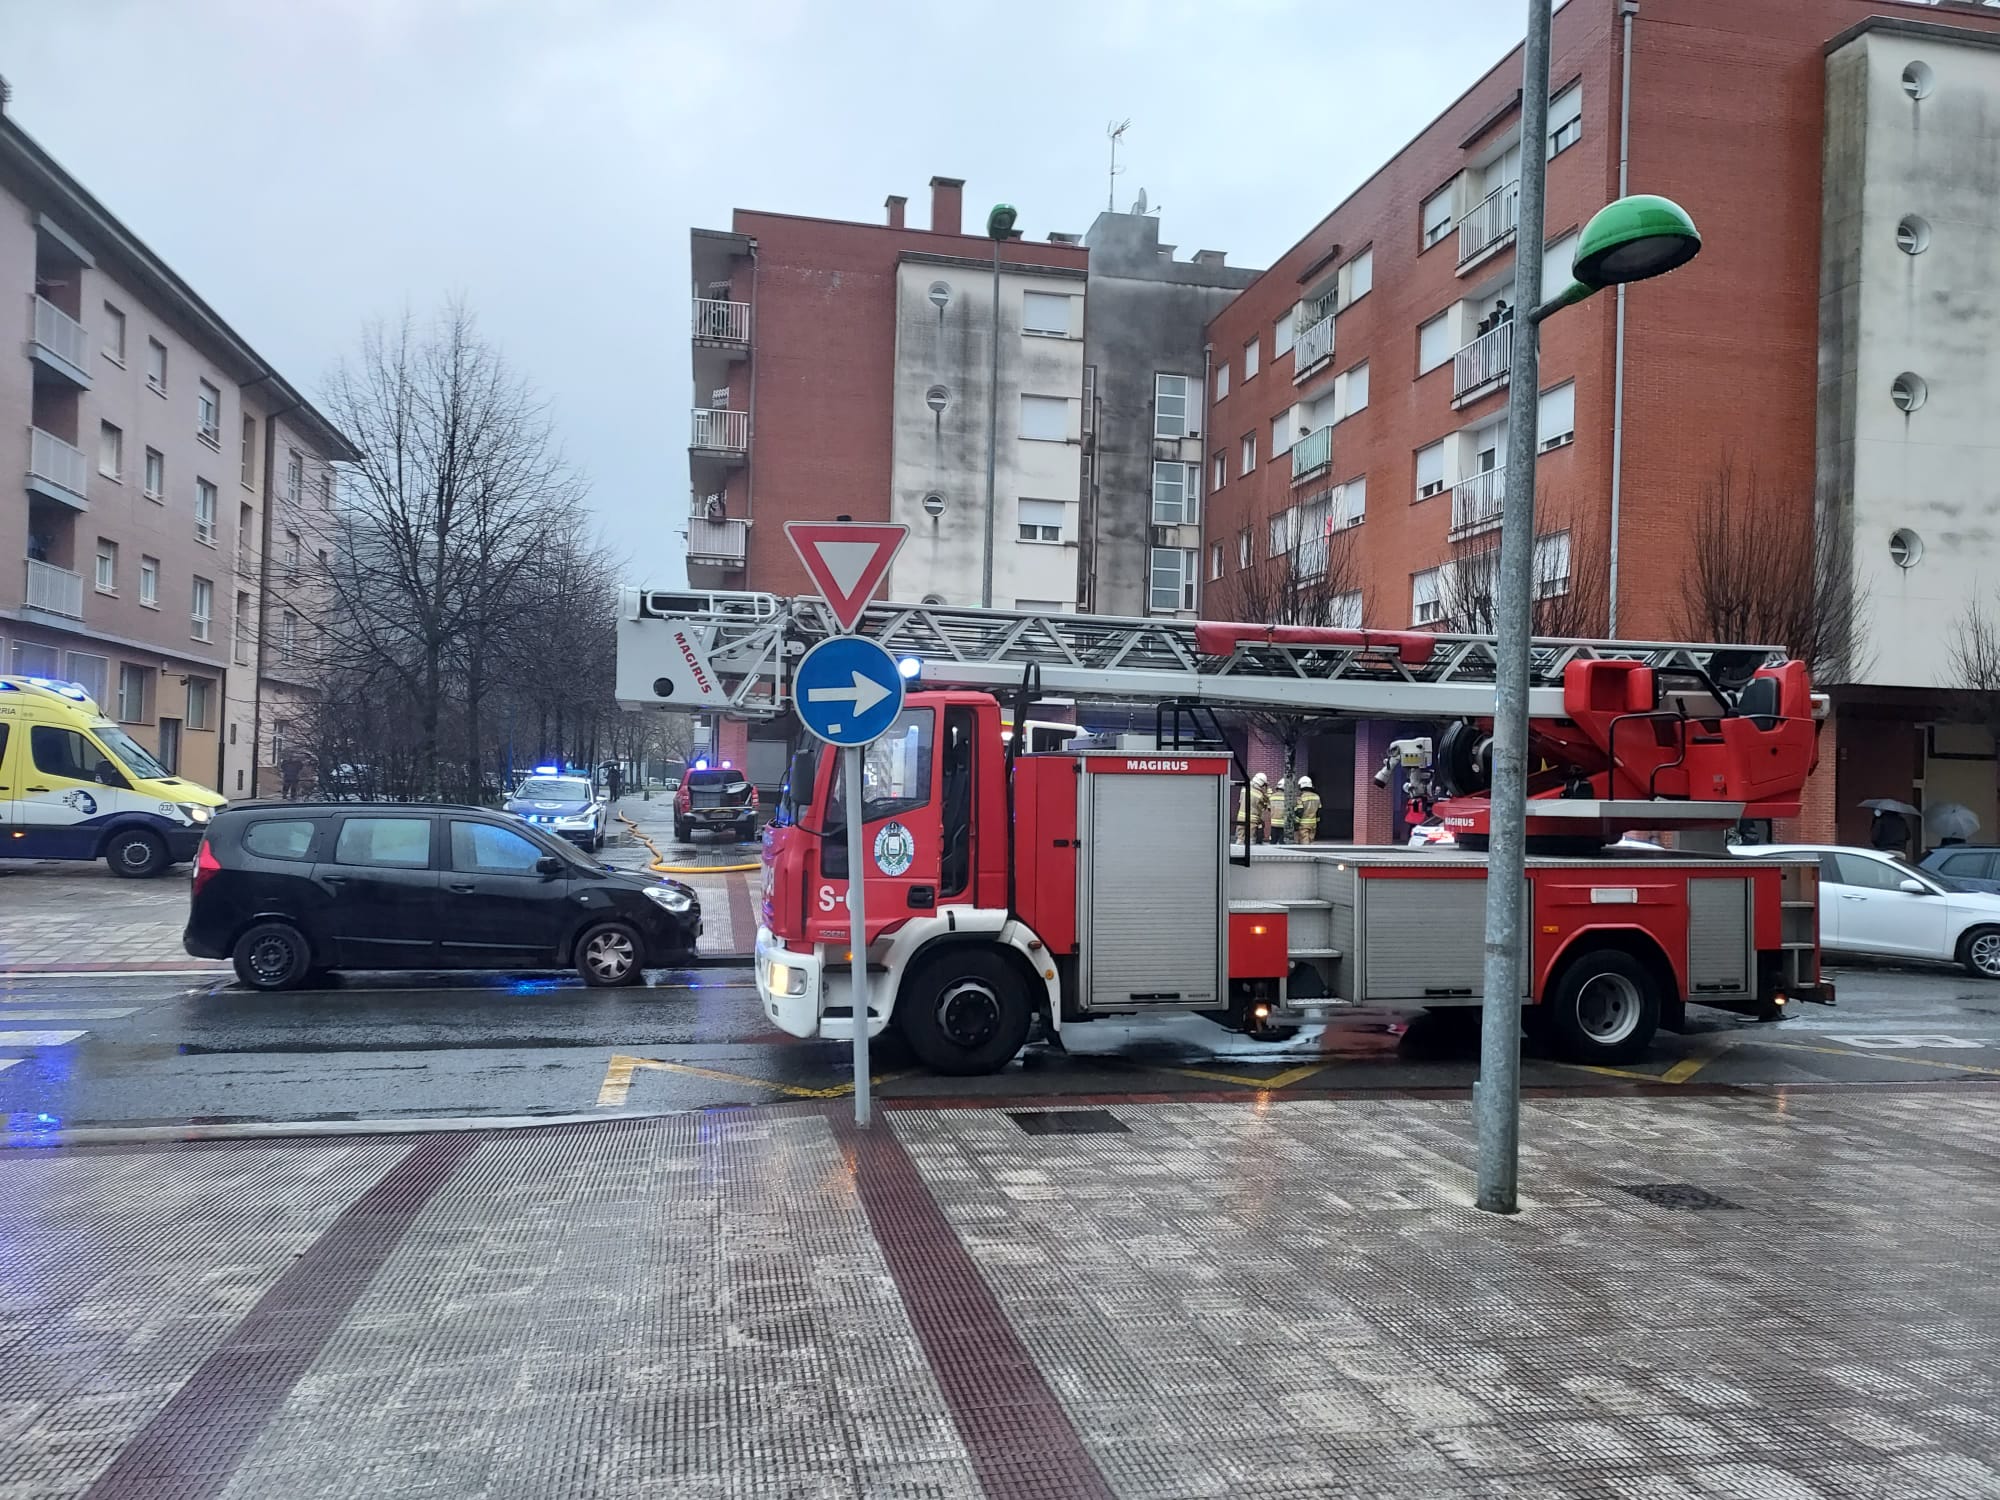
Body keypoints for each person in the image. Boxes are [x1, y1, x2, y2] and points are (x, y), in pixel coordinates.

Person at [1238, 772, 1271, 844]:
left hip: (1241, 818)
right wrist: (1267, 793)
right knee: (1250, 841)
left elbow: (1240, 801)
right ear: (1261, 783)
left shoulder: (1244, 789)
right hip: (1252, 820)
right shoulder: (1259, 794)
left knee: (1240, 839)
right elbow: (1265, 806)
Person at [1291, 775, 1322, 844]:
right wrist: (1317, 822)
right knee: (1310, 841)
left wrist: (1296, 822)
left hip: (1303, 824)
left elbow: (1300, 811)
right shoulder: (1317, 796)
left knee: (1304, 843)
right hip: (1313, 824)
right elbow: (1319, 811)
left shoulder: (1300, 797)